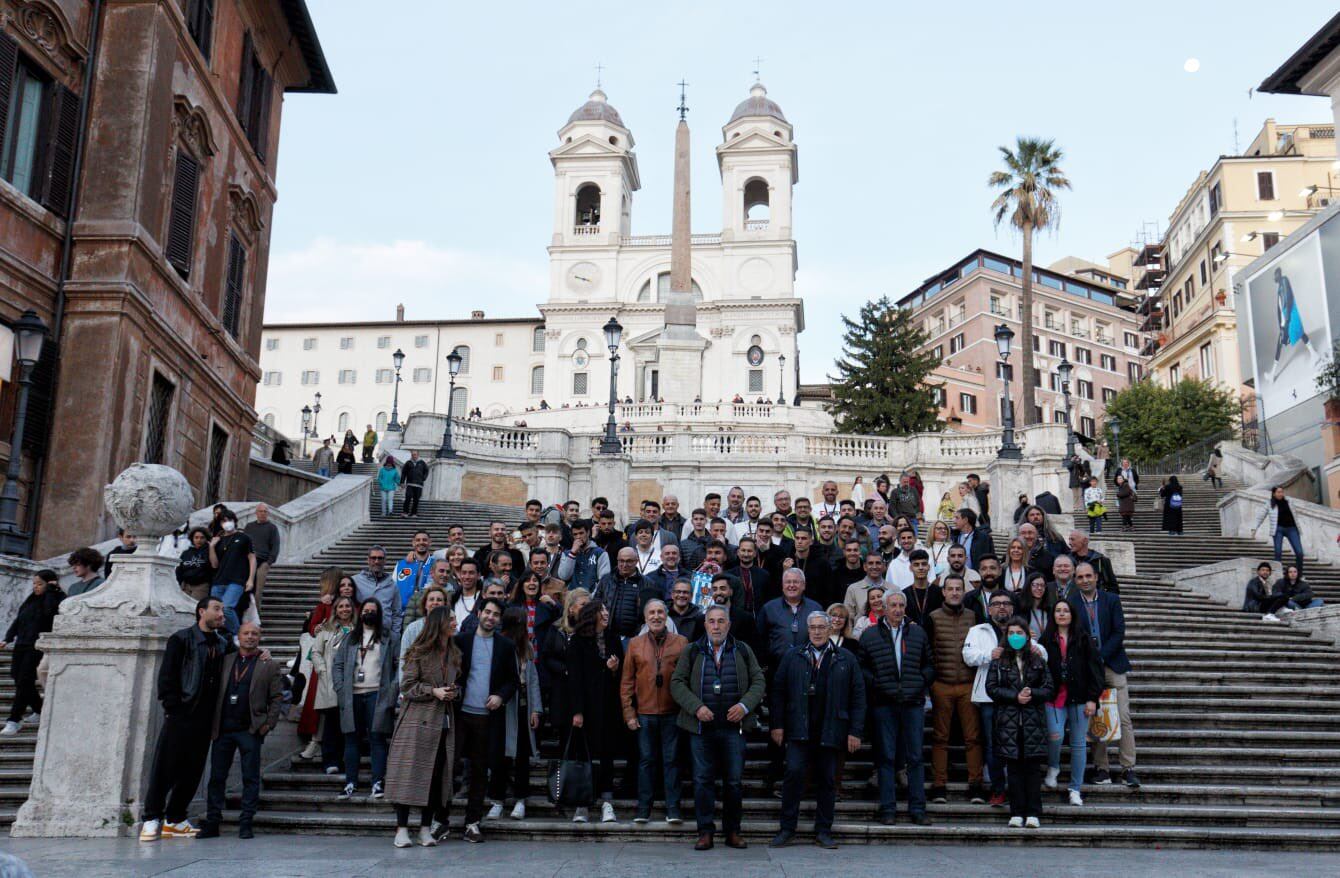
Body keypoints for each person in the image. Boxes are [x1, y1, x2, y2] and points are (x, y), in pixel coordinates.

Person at [671, 604, 766, 851]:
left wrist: (745, 706)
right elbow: (677, 683)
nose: (716, 626)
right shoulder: (692, 651)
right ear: (705, 625)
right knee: (702, 781)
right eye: (711, 621)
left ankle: (732, 831)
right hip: (701, 729)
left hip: (734, 729)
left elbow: (758, 680)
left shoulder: (743, 650)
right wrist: (696, 707)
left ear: (729, 624)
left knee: (733, 782)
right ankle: (705, 831)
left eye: (721, 621)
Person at [139, 597, 234, 841]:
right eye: (217, 609)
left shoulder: (223, 644)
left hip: (206, 718)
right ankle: (151, 818)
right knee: (166, 767)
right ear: (202, 612)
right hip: (182, 713)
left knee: (193, 770)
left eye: (222, 609)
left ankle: (176, 818)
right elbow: (167, 677)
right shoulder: (181, 639)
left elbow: (244, 656)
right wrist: (173, 706)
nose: (221, 613)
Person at [769, 611, 865, 850]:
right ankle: (787, 828)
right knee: (792, 776)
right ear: (807, 629)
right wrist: (777, 724)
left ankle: (823, 830)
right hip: (799, 729)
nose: (818, 631)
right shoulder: (793, 656)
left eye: (822, 627)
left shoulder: (845, 658)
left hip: (831, 729)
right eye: (813, 627)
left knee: (827, 781)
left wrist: (855, 730)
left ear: (830, 628)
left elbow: (858, 696)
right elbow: (778, 692)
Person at [199, 621, 283, 839]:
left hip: (251, 729)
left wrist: (268, 724)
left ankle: (246, 822)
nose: (250, 637)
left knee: (250, 778)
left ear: (260, 637)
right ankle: (213, 821)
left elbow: (277, 698)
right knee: (217, 777)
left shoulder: (269, 664)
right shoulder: (225, 661)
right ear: (238, 636)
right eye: (246, 633)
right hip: (223, 729)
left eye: (254, 633)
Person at [385, 607, 460, 848]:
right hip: (417, 721)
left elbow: (454, 682)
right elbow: (407, 686)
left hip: (443, 721)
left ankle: (426, 828)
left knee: (436, 777)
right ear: (440, 624)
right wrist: (433, 691)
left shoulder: (454, 653)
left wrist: (452, 692)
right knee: (409, 774)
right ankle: (402, 828)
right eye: (451, 619)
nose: (455, 623)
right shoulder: (418, 652)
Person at [859, 590, 934, 827]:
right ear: (884, 606)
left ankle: (918, 809)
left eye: (902, 605)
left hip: (912, 703)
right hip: (883, 703)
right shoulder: (869, 635)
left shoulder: (918, 633)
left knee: (915, 757)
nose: (898, 609)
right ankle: (888, 808)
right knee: (886, 757)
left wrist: (920, 683)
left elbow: (930, 665)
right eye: (893, 605)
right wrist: (877, 684)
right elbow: (862, 668)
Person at [964, 591, 1041, 809]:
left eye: (1006, 603)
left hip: (1020, 696)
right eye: (996, 604)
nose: (1002, 607)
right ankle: (998, 789)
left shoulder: (1023, 631)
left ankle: (1018, 789)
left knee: (1019, 742)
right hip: (989, 696)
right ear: (989, 609)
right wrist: (990, 654)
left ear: (1013, 608)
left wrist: (1034, 649)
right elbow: (968, 657)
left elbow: (1041, 652)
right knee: (992, 744)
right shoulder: (977, 630)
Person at [1071, 562, 1139, 787]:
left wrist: (1101, 656)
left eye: (1088, 576)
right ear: (1075, 580)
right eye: (1080, 577)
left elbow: (1119, 631)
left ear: (1097, 577)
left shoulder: (1112, 600)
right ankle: (1102, 769)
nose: (1085, 580)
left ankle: (1128, 767)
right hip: (1089, 670)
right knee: (1096, 718)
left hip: (1112, 664)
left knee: (1123, 717)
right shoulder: (1071, 604)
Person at [455, 597, 517, 841]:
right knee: (450, 768)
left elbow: (512, 680)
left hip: (487, 718)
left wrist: (501, 696)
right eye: (487, 612)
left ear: (500, 619)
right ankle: (439, 818)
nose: (490, 617)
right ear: (479, 613)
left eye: (495, 614)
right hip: (461, 714)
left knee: (481, 771)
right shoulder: (461, 641)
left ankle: (472, 822)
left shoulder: (505, 646)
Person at [621, 599, 688, 824]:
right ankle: (643, 809)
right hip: (645, 713)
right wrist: (629, 713)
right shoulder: (635, 644)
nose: (656, 616)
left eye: (660, 612)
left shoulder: (681, 642)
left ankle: (673, 809)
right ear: (645, 617)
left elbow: (686, 679)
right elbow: (627, 681)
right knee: (646, 761)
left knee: (672, 761)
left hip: (672, 712)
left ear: (666, 616)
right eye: (652, 613)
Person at [986, 617, 1053, 828]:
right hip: (1009, 722)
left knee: (1032, 770)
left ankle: (1033, 812)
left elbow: (1049, 687)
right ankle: (1016, 812)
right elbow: (992, 688)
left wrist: (1032, 693)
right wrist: (1014, 696)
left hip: (1033, 721)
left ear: (1027, 635)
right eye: (1012, 633)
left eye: (1020, 633)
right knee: (1013, 770)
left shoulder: (1038, 660)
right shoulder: (999, 661)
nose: (1016, 637)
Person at [927, 575, 985, 805]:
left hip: (968, 685)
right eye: (949, 589)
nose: (953, 592)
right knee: (940, 737)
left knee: (973, 737)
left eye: (958, 589)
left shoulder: (973, 616)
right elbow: (928, 650)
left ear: (964, 591)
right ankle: (939, 784)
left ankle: (976, 785)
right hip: (942, 684)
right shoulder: (933, 617)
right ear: (943, 592)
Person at [1038, 599, 1103, 805]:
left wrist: (1093, 699)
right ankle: (1054, 765)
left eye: (1066, 610)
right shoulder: (1046, 638)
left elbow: (1096, 670)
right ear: (1053, 615)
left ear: (1072, 614)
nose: (1062, 614)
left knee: (1078, 744)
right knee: (1055, 735)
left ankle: (1075, 788)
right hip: (1054, 697)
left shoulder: (1083, 638)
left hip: (1079, 697)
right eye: (1058, 610)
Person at [334, 599, 399, 802]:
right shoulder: (350, 638)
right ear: (359, 613)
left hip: (377, 694)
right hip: (352, 694)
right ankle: (350, 782)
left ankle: (377, 782)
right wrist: (340, 688)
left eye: (373, 610)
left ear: (379, 614)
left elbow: (400, 665)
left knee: (377, 739)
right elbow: (337, 665)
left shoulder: (389, 637)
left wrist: (392, 691)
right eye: (366, 610)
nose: (369, 613)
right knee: (351, 739)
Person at [566, 599, 624, 824]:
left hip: (608, 706)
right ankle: (583, 803)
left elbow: (621, 672)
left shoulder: (612, 638)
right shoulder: (578, 641)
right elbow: (575, 678)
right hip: (586, 707)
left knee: (607, 754)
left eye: (607, 611)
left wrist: (614, 669)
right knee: (584, 755)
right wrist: (577, 711)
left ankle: (607, 802)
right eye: (602, 611)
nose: (606, 615)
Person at [490, 606, 542, 821]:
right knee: (498, 756)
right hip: (501, 704)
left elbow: (532, 679)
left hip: (522, 704)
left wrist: (536, 709)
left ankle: (521, 799)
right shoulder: (497, 644)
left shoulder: (526, 647)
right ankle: (497, 800)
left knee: (521, 755)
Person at [0, 570, 64, 736]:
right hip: (21, 643)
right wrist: (8, 638)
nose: (35, 587)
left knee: (25, 679)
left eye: (40, 584)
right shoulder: (31, 599)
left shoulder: (56, 598)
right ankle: (39, 708)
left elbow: (50, 613)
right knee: (17, 677)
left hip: (37, 645)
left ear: (50, 583)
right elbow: (19, 619)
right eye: (34, 583)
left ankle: (14, 720)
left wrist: (51, 591)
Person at [309, 595, 355, 776]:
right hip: (330, 682)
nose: (344, 609)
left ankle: (346, 760)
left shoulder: (357, 629)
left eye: (347, 606)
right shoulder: (325, 630)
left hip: (351, 683)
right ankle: (330, 760)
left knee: (350, 724)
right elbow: (315, 652)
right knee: (331, 724)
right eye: (341, 606)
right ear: (335, 609)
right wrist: (322, 670)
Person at [208, 509, 255, 637]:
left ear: (234, 521)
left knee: (227, 608)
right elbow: (214, 564)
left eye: (229, 520)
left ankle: (238, 634)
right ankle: (221, 635)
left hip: (237, 580)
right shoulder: (218, 540)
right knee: (214, 611)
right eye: (223, 521)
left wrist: (250, 579)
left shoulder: (244, 537)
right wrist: (211, 547)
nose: (227, 523)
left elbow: (252, 558)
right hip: (218, 581)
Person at [1253, 486, 1305, 574]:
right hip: (1278, 530)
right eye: (1278, 492)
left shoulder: (1289, 501)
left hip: (1292, 528)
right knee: (1278, 552)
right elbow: (1260, 516)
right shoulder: (1269, 504)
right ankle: (1278, 574)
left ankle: (1299, 574)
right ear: (1274, 493)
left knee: (1300, 553)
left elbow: (1295, 514)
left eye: (1282, 492)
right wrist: (1254, 528)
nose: (1281, 494)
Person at [242, 503, 281, 610]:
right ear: (256, 513)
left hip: (262, 562)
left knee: (258, 591)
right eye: (261, 511)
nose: (263, 513)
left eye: (265, 511)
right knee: (245, 588)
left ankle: (256, 616)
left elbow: (275, 546)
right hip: (248, 561)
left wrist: (268, 562)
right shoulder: (249, 526)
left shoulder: (272, 528)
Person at [174, 527, 214, 600]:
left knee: (195, 608)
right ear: (192, 539)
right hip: (186, 586)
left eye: (202, 538)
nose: (199, 540)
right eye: (196, 537)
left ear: (206, 539)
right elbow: (179, 570)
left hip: (201, 586)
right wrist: (177, 585)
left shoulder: (210, 552)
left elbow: (212, 567)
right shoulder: (186, 553)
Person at [1020, 574, 1056, 639]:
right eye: (1036, 585)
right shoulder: (1020, 609)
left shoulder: (1050, 610)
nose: (1039, 588)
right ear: (1028, 586)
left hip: (1046, 647)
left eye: (1042, 585)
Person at [400, 450, 429, 518]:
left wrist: (423, 478)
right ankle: (405, 512)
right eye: (413, 455)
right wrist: (402, 482)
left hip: (419, 485)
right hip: (410, 484)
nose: (414, 456)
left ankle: (414, 513)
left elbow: (426, 471)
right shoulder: (408, 463)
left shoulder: (422, 463)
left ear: (418, 455)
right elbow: (404, 473)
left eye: (415, 454)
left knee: (416, 500)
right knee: (408, 498)